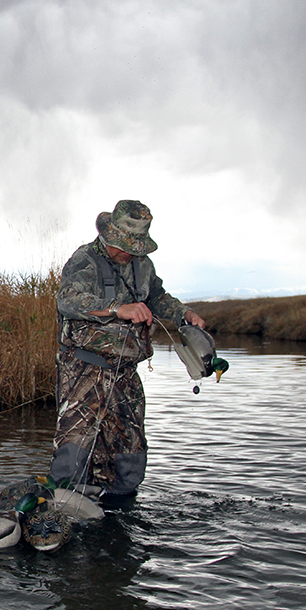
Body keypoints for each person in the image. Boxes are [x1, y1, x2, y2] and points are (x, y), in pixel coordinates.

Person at [51, 199, 205, 499]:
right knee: (74, 451)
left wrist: (183, 314)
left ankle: (120, 519)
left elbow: (158, 297)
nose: (128, 251)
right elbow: (67, 300)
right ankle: (60, 513)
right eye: (123, 244)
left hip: (126, 372)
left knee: (130, 453)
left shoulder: (142, 264)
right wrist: (116, 308)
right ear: (108, 234)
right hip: (84, 369)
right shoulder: (85, 260)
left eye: (135, 246)